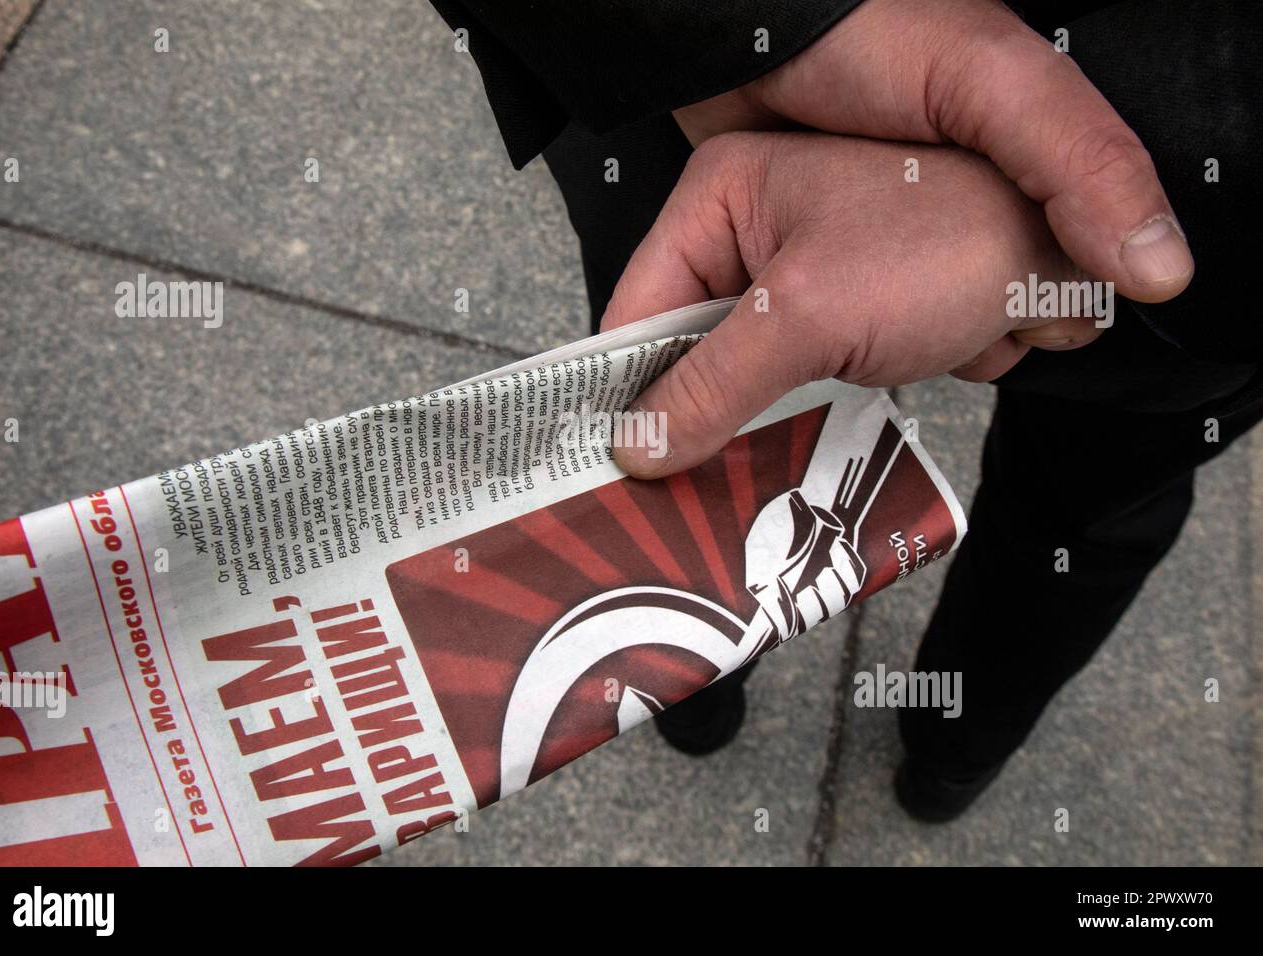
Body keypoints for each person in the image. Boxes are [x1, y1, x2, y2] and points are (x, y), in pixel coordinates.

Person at [428, 0, 1261, 821]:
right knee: (1078, 517)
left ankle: (728, 715)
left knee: (698, 450)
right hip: (693, 116)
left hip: (685, 111)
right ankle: (944, 761)